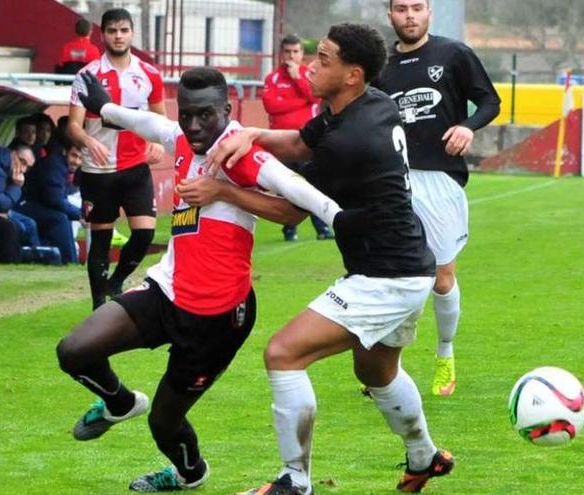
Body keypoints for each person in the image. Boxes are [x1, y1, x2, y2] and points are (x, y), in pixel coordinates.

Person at [58, 66, 344, 493]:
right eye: (187, 114)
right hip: (167, 290)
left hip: (217, 317)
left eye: (205, 115)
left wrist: (226, 192)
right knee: (74, 351)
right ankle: (119, 403)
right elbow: (149, 122)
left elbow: (296, 203)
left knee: (165, 423)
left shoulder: (242, 155)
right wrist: (104, 106)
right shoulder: (179, 136)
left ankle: (190, 474)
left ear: (228, 111)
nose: (194, 126)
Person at [203, 24, 453, 494]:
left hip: (386, 276)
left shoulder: (351, 140)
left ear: (352, 74)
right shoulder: (367, 104)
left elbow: (291, 208)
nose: (312, 66)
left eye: (324, 60)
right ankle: (425, 458)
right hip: (405, 264)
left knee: (283, 353)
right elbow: (301, 142)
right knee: (375, 371)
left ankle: (293, 482)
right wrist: (254, 132)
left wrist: (222, 190)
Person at [373, 0, 500, 396]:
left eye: (417, 7)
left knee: (442, 278)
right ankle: (387, 367)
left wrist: (467, 126)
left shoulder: (453, 54)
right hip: (391, 180)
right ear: (389, 14)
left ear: (429, 13)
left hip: (440, 179)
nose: (410, 16)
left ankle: (445, 353)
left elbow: (490, 102)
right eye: (401, 9)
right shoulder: (379, 67)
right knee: (392, 273)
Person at [67, 8, 166, 310]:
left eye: (123, 30)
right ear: (103, 35)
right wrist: (87, 140)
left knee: (145, 233)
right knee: (100, 239)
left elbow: (160, 119)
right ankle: (98, 306)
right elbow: (73, 125)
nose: (118, 36)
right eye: (112, 31)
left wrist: (157, 142)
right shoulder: (87, 76)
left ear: (132, 33)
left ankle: (116, 281)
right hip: (98, 169)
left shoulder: (149, 74)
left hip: (135, 166)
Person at [262, 34, 333, 242]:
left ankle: (322, 228)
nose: (291, 56)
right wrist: (300, 102)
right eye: (287, 52)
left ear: (302, 53)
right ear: (281, 54)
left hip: (309, 142)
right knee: (286, 188)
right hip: (282, 143)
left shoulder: (309, 73)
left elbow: (315, 97)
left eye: (295, 51)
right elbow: (271, 107)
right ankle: (289, 229)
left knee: (315, 185)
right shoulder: (272, 78)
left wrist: (297, 80)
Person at [16, 140, 84, 264]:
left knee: (62, 217)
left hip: (34, 203)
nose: (77, 162)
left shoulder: (60, 165)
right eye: (74, 156)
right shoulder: (54, 165)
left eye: (80, 158)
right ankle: (69, 262)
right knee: (60, 219)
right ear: (65, 152)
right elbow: (54, 199)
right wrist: (80, 214)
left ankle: (64, 259)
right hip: (23, 204)